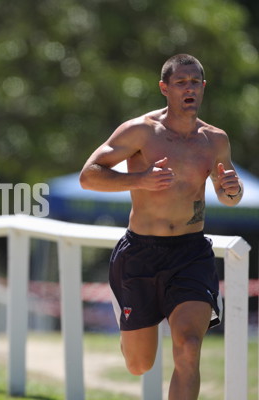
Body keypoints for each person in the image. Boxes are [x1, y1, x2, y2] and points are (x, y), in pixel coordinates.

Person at [79, 54, 243, 400]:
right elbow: (88, 176)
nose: (189, 89)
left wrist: (232, 190)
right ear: (164, 88)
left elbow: (228, 196)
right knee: (140, 364)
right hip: (140, 253)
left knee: (189, 347)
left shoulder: (215, 140)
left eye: (195, 82)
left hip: (190, 253)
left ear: (203, 88)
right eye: (181, 82)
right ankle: (129, 329)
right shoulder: (140, 131)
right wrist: (140, 179)